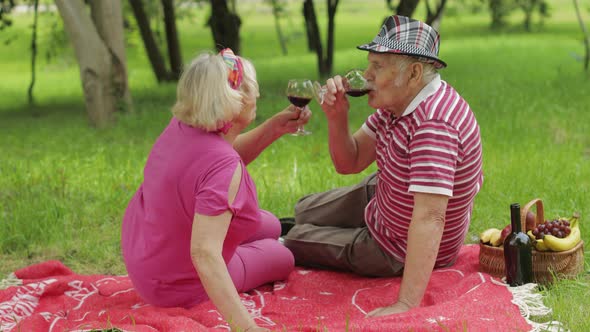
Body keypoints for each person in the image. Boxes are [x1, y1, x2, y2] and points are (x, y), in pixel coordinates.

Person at [283, 15, 484, 317]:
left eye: (377, 67)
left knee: (293, 239)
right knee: (303, 210)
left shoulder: (434, 126)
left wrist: (406, 304)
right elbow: (349, 162)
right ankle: (273, 225)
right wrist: (337, 117)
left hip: (398, 246)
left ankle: (271, 237)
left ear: (414, 73)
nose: (366, 75)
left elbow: (429, 219)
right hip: (388, 196)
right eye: (369, 64)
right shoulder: (397, 103)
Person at [122, 49, 309, 332]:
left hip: (147, 252)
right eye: (253, 89)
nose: (257, 96)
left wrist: (273, 128)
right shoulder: (223, 166)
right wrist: (248, 328)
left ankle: (260, 242)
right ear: (237, 100)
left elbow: (210, 165)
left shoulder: (184, 126)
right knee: (283, 257)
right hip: (176, 283)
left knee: (270, 223)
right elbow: (204, 254)